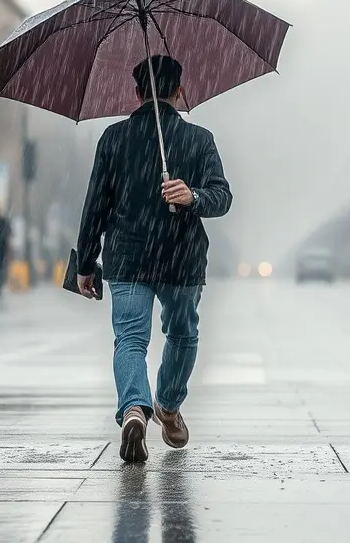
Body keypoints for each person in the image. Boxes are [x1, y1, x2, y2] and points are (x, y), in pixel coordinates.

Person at [76, 55, 233, 463]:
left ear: (136, 93)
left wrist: (85, 264)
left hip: (126, 256)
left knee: (130, 339)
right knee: (182, 336)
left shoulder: (113, 138)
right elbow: (223, 197)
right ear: (179, 92)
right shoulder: (199, 139)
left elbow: (94, 205)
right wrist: (197, 196)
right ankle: (166, 404)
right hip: (180, 259)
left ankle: (134, 409)